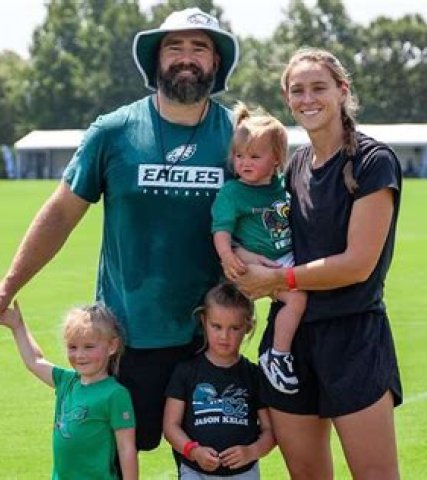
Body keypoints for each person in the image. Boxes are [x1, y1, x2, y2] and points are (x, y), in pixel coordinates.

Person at [0, 8, 240, 452]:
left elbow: (267, 219)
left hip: (209, 340)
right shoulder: (113, 132)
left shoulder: (239, 136)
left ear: (216, 62)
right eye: (174, 47)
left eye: (200, 48)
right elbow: (61, 214)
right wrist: (8, 285)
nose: (186, 57)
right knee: (108, 465)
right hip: (121, 340)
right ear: (155, 60)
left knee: (209, 465)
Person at [233, 47, 403, 479]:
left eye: (318, 88)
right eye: (297, 91)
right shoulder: (294, 167)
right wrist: (244, 263)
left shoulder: (373, 161)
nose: (307, 99)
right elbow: (267, 237)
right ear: (287, 98)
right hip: (290, 344)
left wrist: (277, 278)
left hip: (353, 339)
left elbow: (357, 265)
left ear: (342, 90)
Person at [211, 102, 306, 395]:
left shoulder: (282, 186)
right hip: (252, 265)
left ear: (277, 159)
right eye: (239, 156)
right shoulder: (233, 192)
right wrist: (228, 256)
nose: (244, 163)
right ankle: (277, 355)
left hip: (284, 257)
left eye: (254, 156)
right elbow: (221, 230)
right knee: (297, 298)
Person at [0, 301, 137, 479]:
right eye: (72, 347)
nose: (80, 355)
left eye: (89, 347)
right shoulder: (66, 381)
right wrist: (17, 326)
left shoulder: (115, 394)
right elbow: (35, 361)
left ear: (112, 346)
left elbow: (126, 448)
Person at [163, 283, 275, 479]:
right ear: (204, 321)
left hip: (244, 473)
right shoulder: (186, 371)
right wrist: (193, 451)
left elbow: (271, 431)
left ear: (248, 327)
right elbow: (170, 426)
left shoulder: (254, 375)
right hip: (195, 472)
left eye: (234, 328)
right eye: (216, 326)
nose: (224, 336)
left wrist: (252, 451)